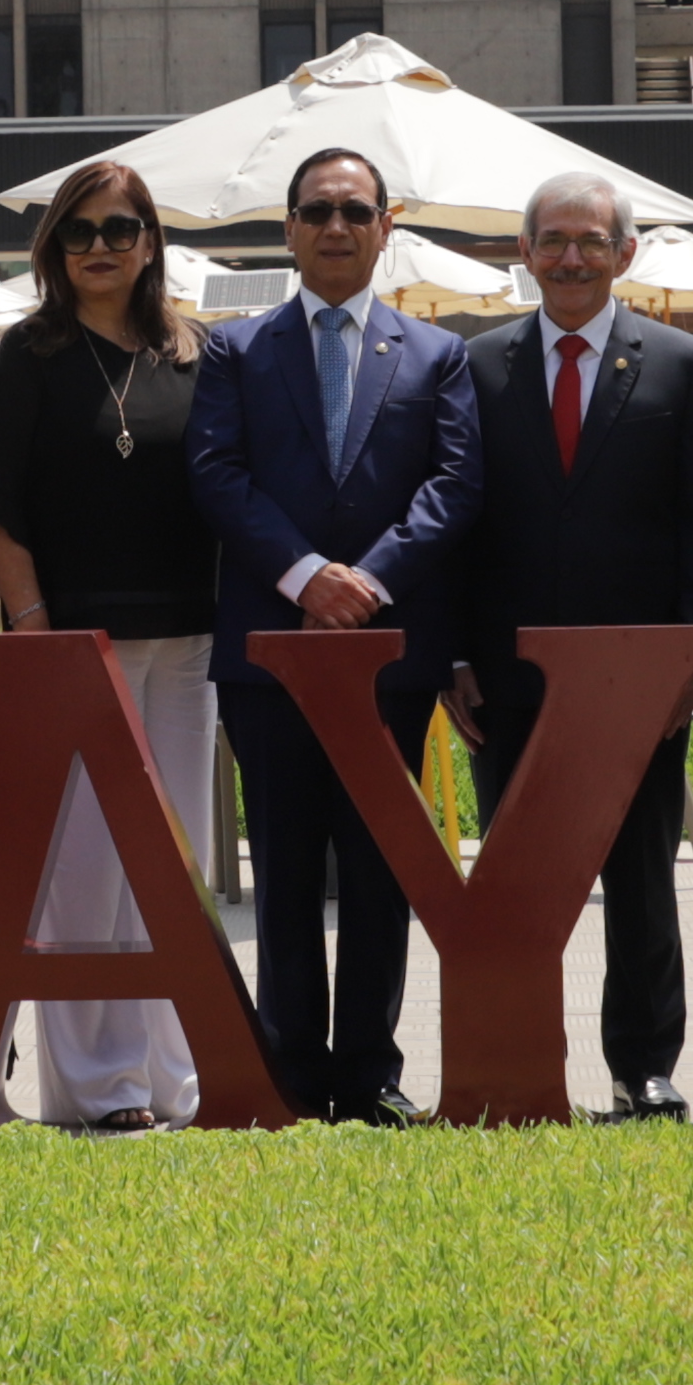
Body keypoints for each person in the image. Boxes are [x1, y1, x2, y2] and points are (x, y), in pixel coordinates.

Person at [181, 147, 478, 1125]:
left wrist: (374, 578)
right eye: (318, 210)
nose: (337, 226)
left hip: (391, 658)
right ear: (289, 228)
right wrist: (309, 577)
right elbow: (218, 476)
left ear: (387, 224)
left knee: (384, 867)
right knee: (286, 872)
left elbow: (453, 486)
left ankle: (370, 1074)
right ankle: (290, 1072)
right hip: (272, 658)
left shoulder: (438, 355)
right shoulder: (235, 348)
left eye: (356, 210)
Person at [0, 164, 242, 1131]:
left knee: (173, 867)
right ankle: (99, 1089)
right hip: (78, 642)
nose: (99, 248)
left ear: (151, 240)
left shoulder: (196, 350)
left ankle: (177, 1079)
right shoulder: (29, 354)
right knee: (87, 872)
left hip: (189, 641)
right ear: (54, 249)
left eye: (118, 229)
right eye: (77, 233)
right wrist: (34, 626)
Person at [448, 170, 693, 1118]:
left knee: (642, 880)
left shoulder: (685, 365)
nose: (572, 257)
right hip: (507, 677)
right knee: (516, 883)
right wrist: (454, 656)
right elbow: (454, 525)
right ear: (523, 254)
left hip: (637, 680)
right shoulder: (474, 366)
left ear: (626, 254)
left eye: (592, 241)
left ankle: (643, 1065)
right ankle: (518, 1052)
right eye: (554, 240)